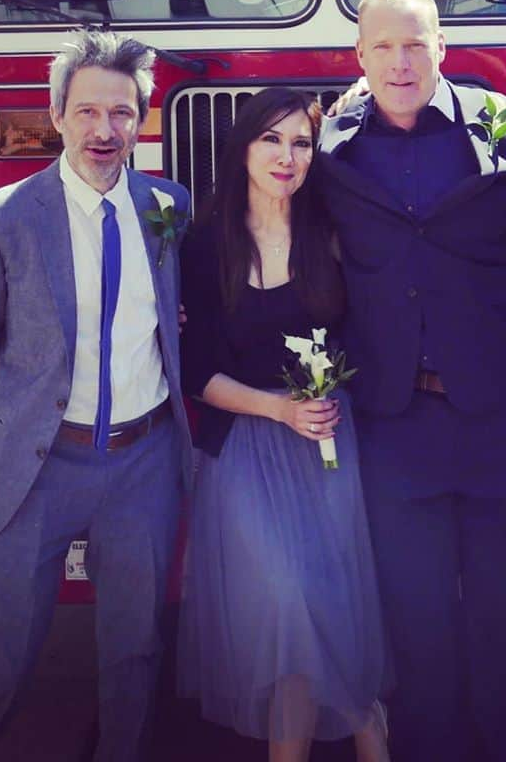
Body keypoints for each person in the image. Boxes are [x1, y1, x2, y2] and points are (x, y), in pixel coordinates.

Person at [0, 29, 192, 762]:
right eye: (90, 112)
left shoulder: (169, 207)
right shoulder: (1, 218)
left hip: (143, 465)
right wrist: (27, 426)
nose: (106, 130)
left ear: (141, 119)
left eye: (124, 113)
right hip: (39, 467)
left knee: (133, 655)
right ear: (58, 114)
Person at [316, 0, 506, 762]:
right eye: (382, 46)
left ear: (442, 50)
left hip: (504, 423)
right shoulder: (328, 146)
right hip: (395, 425)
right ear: (358, 57)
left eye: (415, 43)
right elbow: (272, 244)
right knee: (416, 632)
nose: (400, 61)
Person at [177, 87, 390, 762]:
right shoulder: (206, 241)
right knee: (289, 602)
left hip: (329, 445)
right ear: (243, 147)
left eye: (301, 142)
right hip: (245, 445)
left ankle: (357, 733)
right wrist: (278, 409)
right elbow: (195, 370)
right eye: (271, 139)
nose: (286, 156)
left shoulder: (332, 232)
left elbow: (375, 326)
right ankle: (369, 725)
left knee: (329, 604)